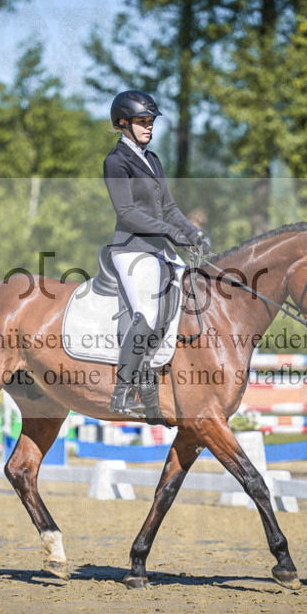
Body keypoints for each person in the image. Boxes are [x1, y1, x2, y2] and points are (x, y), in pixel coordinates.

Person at [103, 90, 209, 419]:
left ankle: (157, 379)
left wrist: (192, 233)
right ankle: (122, 392)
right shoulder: (116, 161)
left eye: (151, 121)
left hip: (159, 248)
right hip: (131, 249)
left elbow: (169, 208)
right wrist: (171, 233)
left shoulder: (153, 160)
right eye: (142, 122)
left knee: (195, 293)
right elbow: (127, 212)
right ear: (123, 123)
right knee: (147, 314)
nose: (149, 127)